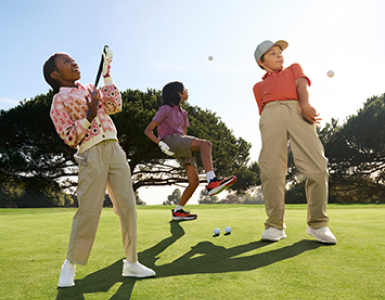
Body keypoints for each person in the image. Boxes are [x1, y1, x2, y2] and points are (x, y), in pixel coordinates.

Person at [43, 47, 155, 288]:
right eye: (66, 61)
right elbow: (70, 137)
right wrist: (89, 115)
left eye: (73, 59)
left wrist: (107, 75)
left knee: (128, 207)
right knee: (89, 211)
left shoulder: (91, 89)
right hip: (90, 153)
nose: (73, 63)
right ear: (54, 74)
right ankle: (70, 264)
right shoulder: (58, 100)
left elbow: (115, 106)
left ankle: (132, 262)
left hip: (114, 149)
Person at [252, 40, 337, 244]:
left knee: (318, 167)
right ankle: (274, 225)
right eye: (272, 53)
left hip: (297, 109)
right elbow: (262, 110)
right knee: (271, 170)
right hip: (271, 115)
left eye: (280, 52)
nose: (279, 55)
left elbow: (301, 85)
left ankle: (318, 224)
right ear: (261, 62)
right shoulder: (258, 86)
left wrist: (305, 105)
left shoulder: (293, 68)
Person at [144, 81, 236, 221]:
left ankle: (178, 211)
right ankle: (212, 181)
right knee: (206, 145)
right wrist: (160, 143)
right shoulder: (165, 109)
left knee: (194, 181)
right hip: (170, 141)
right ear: (177, 93)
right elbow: (148, 130)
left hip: (181, 142)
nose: (186, 91)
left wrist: (190, 148)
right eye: (183, 89)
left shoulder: (184, 113)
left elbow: (185, 133)